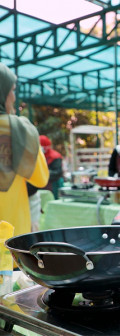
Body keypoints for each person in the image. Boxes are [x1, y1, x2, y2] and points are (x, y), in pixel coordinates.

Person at [0, 63, 49, 237]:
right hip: (10, 234)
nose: (14, 97)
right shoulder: (20, 129)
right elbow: (41, 179)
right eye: (11, 91)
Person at [39, 135, 64, 199]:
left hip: (54, 184)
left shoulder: (55, 156)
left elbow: (58, 172)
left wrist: (43, 174)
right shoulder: (39, 156)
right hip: (43, 184)